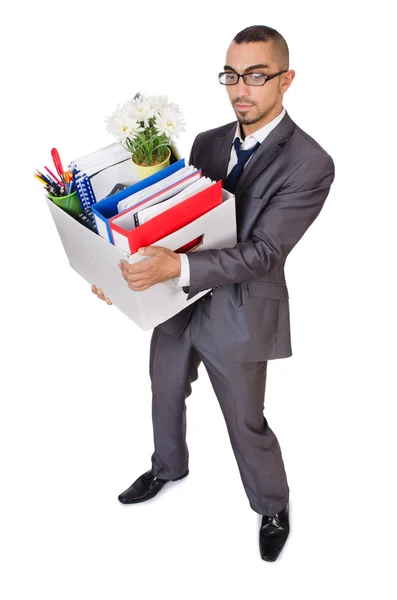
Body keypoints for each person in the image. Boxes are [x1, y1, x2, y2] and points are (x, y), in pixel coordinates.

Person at [92, 24, 335, 562]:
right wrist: (122, 273)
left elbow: (265, 252)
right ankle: (167, 468)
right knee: (163, 391)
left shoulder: (311, 164)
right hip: (177, 302)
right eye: (231, 75)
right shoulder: (207, 142)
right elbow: (170, 222)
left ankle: (272, 505)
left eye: (255, 75)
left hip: (242, 313)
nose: (239, 89)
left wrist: (172, 266)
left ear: (285, 79)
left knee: (246, 422)